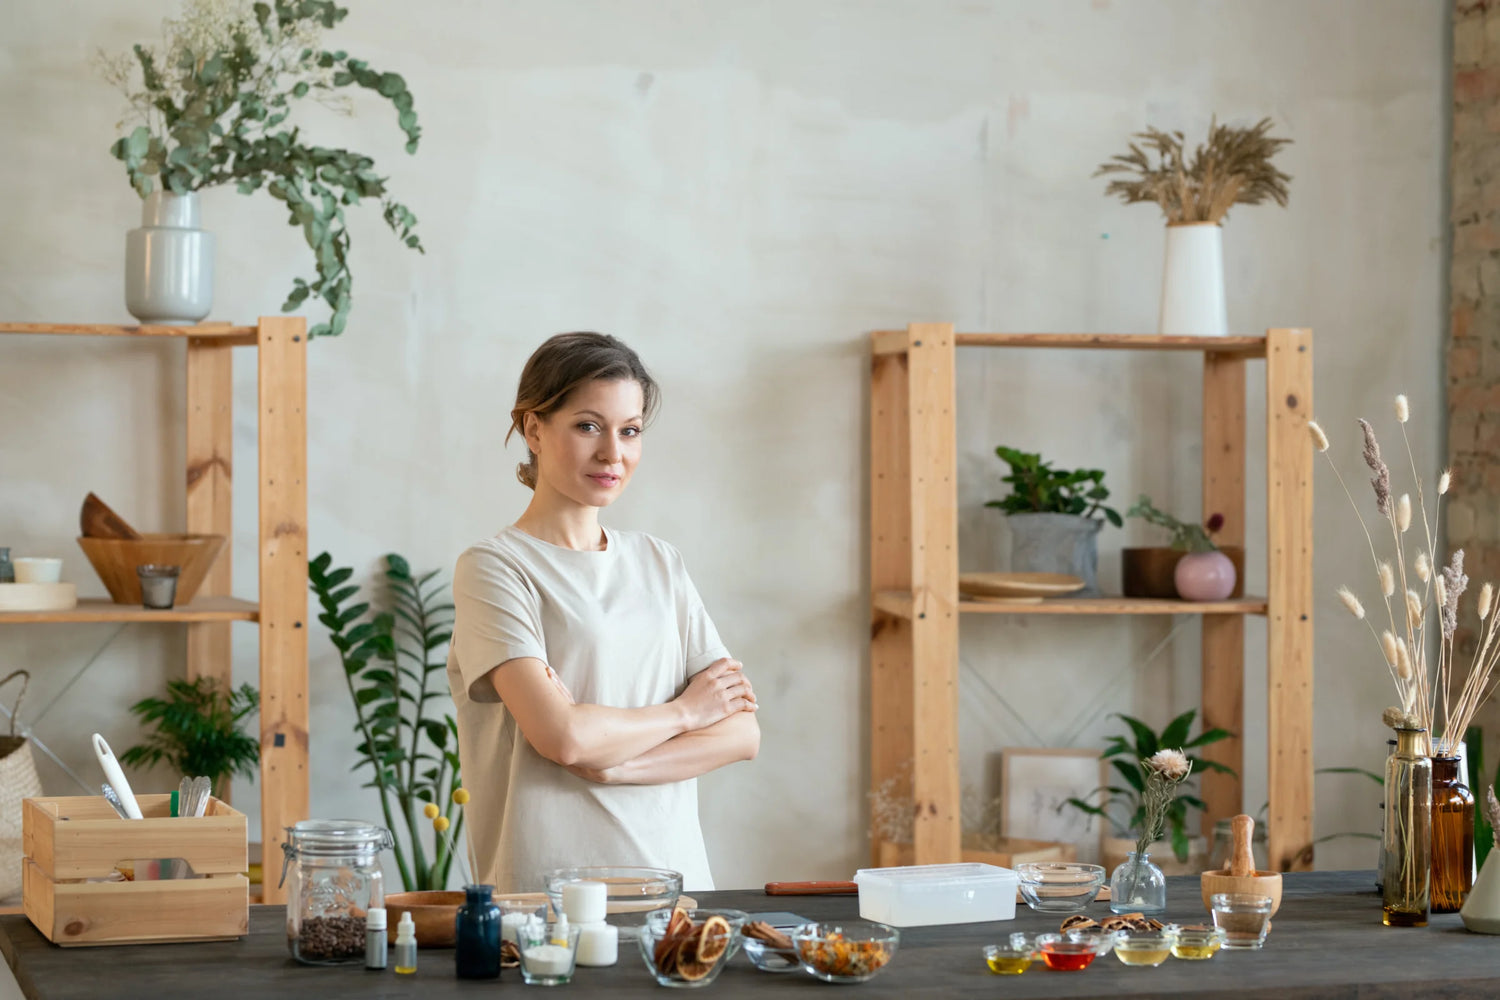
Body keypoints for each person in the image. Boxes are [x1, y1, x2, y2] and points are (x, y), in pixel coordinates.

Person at [447, 331, 760, 892]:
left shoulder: (660, 562)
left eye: (630, 431)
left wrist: (613, 764)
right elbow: (563, 738)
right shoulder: (494, 568)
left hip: (676, 891)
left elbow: (741, 733)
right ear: (533, 428)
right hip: (547, 901)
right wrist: (687, 713)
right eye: (588, 425)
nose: (613, 453)